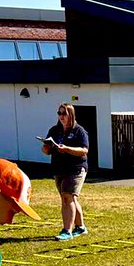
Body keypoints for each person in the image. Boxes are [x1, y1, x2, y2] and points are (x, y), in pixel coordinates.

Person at [41, 103, 90, 241]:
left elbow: (84, 150)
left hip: (76, 168)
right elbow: (47, 150)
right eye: (59, 113)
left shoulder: (79, 131)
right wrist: (46, 148)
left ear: (71, 115)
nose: (61, 116)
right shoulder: (54, 130)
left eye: (64, 113)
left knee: (67, 196)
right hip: (59, 168)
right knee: (70, 199)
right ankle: (80, 227)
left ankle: (67, 231)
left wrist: (67, 148)